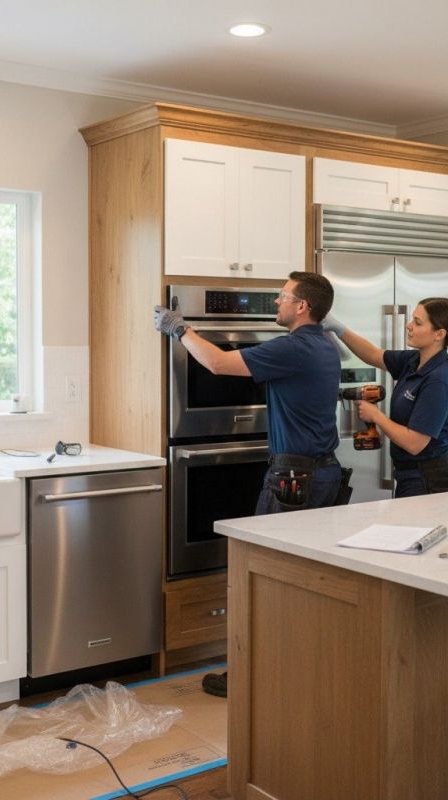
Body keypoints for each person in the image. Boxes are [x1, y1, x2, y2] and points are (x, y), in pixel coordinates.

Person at [155, 272, 347, 697]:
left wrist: (180, 329)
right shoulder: (322, 345)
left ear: (302, 307)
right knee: (296, 580)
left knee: (262, 577)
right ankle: (291, 670)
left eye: (282, 296)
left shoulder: (296, 347)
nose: (275, 302)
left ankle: (250, 677)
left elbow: (218, 364)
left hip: (295, 477)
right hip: (320, 472)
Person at [324, 297, 448, 498]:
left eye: (418, 323)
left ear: (439, 334)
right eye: (411, 320)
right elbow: (374, 354)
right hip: (411, 475)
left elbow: (414, 443)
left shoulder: (439, 380)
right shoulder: (414, 360)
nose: (408, 326)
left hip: (429, 480)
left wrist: (376, 416)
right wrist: (338, 328)